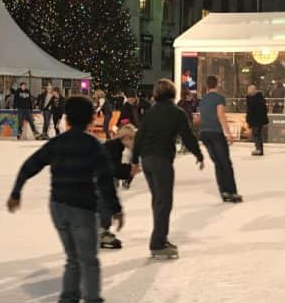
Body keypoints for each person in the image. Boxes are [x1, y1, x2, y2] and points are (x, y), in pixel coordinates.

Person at [7, 96, 121, 303]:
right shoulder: (93, 145)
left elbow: (30, 165)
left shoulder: (57, 143)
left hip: (58, 206)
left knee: (73, 260)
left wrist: (16, 191)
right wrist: (116, 209)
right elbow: (105, 180)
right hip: (81, 207)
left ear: (67, 119)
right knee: (89, 262)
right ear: (91, 118)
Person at [131, 79, 205, 259]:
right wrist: (199, 155)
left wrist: (135, 160)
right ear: (172, 93)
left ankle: (160, 239)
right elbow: (187, 136)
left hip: (147, 160)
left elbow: (139, 136)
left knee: (158, 200)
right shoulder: (176, 112)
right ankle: (158, 243)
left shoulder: (150, 111)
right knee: (164, 202)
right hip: (161, 160)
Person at [198, 76, 242, 203]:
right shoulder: (219, 98)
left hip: (205, 134)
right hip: (216, 133)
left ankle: (223, 191)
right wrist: (228, 133)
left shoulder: (203, 99)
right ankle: (232, 192)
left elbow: (203, 116)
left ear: (207, 85)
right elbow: (221, 115)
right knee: (225, 163)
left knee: (218, 163)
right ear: (217, 84)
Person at [99, 124, 136, 249]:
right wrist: (130, 170)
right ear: (125, 138)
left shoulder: (115, 146)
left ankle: (101, 229)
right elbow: (113, 169)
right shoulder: (114, 147)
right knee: (106, 201)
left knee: (106, 200)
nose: (133, 142)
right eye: (132, 138)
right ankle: (101, 232)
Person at [245, 84, 269, 156]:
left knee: (256, 134)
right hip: (257, 119)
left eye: (249, 90)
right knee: (257, 134)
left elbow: (250, 110)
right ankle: (259, 149)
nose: (248, 91)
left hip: (256, 120)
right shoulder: (258, 98)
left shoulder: (253, 99)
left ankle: (259, 149)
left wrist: (248, 119)